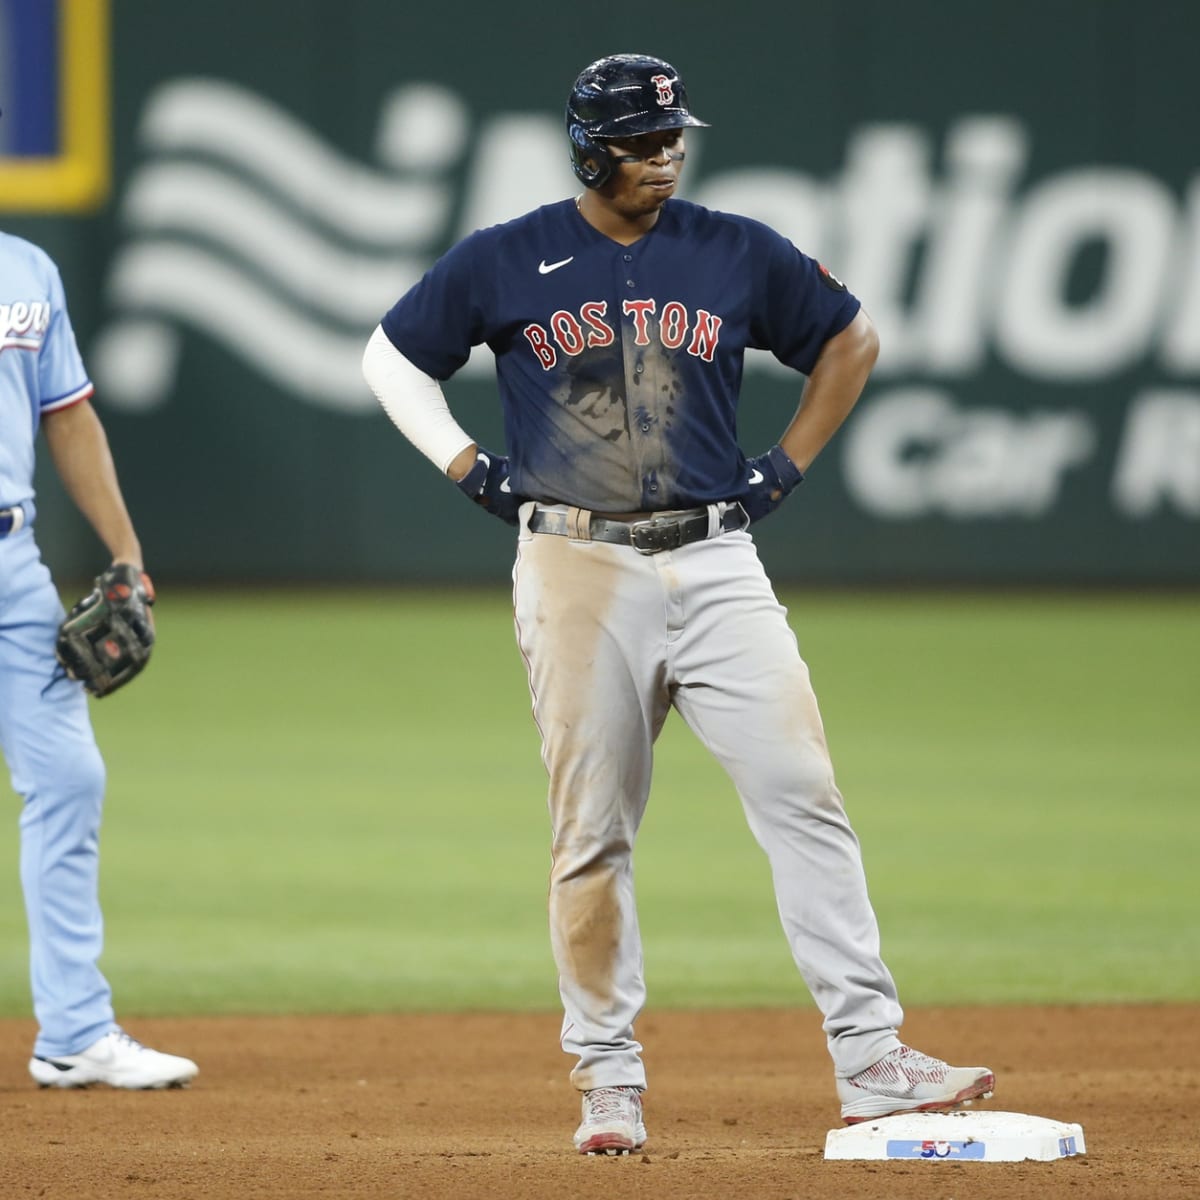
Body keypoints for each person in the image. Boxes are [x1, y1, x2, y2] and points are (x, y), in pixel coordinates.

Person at [362, 52, 993, 1153]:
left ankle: (873, 1057)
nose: (668, 154)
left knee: (805, 794)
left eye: (672, 136)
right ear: (590, 149)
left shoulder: (731, 247)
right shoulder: (506, 258)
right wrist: (470, 467)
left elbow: (851, 339)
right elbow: (389, 356)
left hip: (718, 562)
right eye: (645, 141)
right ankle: (608, 1078)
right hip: (575, 569)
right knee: (592, 834)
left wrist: (784, 466)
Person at [0, 228, 198, 1089]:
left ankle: (75, 1032)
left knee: (70, 778)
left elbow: (68, 413)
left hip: (12, 567)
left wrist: (123, 550)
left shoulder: (28, 267)